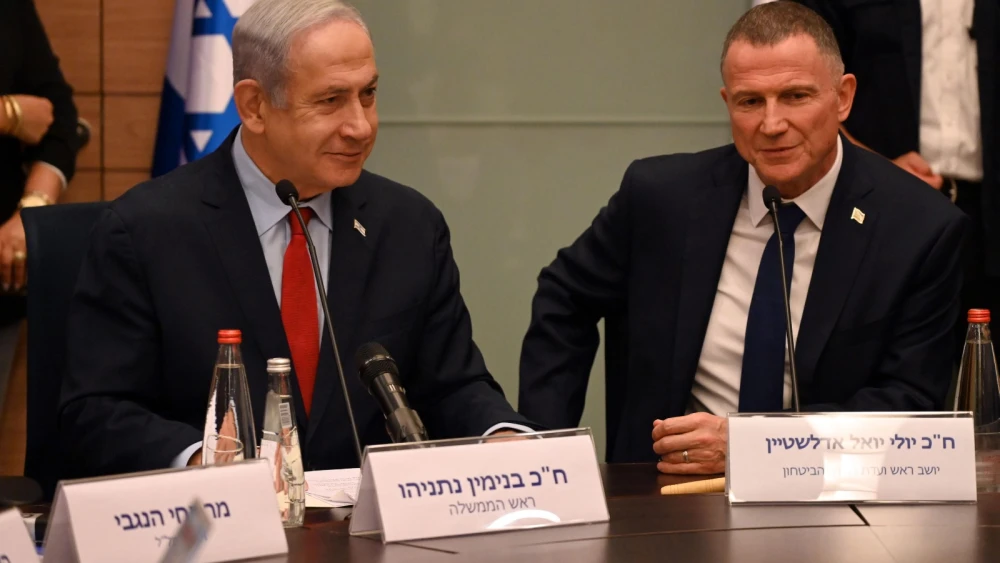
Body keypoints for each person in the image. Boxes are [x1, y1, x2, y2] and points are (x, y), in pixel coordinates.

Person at [59, 0, 532, 477]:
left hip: (364, 535)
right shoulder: (146, 231)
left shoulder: (408, 225)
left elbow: (452, 386)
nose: (361, 126)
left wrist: (504, 436)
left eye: (367, 94)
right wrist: (206, 461)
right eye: (330, 100)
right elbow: (95, 413)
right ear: (254, 106)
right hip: (209, 529)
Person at [518, 1, 968, 472]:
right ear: (727, 103)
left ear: (843, 98)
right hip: (667, 497)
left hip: (832, 504)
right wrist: (549, 454)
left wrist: (753, 446)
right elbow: (564, 297)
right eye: (750, 101)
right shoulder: (662, 198)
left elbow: (908, 405)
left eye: (796, 96)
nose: (772, 125)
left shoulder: (919, 229)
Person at [792, 0, 999, 356]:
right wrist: (881, 168)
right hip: (880, 204)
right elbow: (802, 84)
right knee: (887, 365)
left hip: (986, 212)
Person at [0, 0, 78, 410]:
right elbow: (26, 114)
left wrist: (32, 208)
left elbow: (57, 118)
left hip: (2, 264)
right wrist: (7, 112)